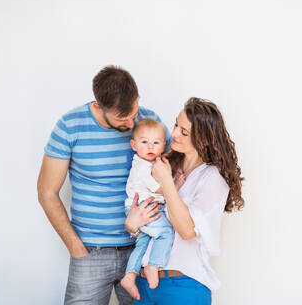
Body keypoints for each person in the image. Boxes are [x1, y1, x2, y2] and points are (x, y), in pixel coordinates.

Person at [37, 66, 171, 305]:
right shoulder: (70, 126)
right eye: (123, 119)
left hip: (142, 247)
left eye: (134, 112)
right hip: (90, 251)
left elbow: (179, 171)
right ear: (99, 106)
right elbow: (47, 192)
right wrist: (76, 247)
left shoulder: (149, 123)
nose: (132, 123)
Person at [124, 97, 245, 304]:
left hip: (183, 287)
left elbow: (187, 231)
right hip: (144, 285)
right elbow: (148, 218)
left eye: (184, 132)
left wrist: (167, 182)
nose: (174, 134)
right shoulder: (164, 164)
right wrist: (132, 225)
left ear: (204, 140)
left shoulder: (213, 178)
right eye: (176, 125)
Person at [120, 119, 175, 300]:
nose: (150, 146)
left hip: (142, 209)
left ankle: (130, 275)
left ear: (164, 145)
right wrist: (174, 183)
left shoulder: (150, 162)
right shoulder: (142, 166)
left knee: (143, 243)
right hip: (141, 210)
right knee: (165, 232)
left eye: (156, 142)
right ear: (133, 145)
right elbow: (160, 189)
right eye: (144, 142)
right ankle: (153, 265)